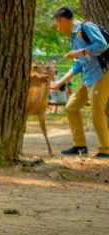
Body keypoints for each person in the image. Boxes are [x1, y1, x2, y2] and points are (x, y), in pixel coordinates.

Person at [50, 6, 109, 158]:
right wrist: (59, 83)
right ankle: (80, 145)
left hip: (101, 73)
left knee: (96, 113)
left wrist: (80, 51)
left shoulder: (86, 27)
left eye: (57, 25)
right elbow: (77, 65)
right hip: (86, 76)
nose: (57, 29)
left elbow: (102, 44)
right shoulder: (74, 37)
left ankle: (106, 149)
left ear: (63, 20)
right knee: (70, 107)